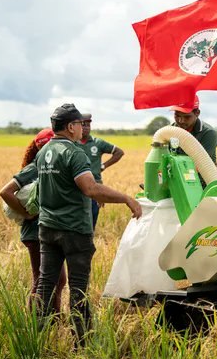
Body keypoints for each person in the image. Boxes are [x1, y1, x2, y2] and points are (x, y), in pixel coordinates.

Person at [36, 103, 142, 345]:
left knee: (45, 284)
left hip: (47, 228)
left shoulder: (44, 152)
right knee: (78, 288)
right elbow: (91, 188)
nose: (82, 128)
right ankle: (82, 342)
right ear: (70, 127)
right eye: (79, 124)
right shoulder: (74, 153)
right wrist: (126, 198)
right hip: (74, 230)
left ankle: (35, 336)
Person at [0, 128, 67, 312]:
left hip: (48, 231)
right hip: (35, 233)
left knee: (58, 280)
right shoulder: (36, 166)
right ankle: (35, 321)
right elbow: (5, 192)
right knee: (41, 279)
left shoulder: (52, 166)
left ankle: (53, 318)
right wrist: (27, 214)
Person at [76, 112, 124, 229]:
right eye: (83, 125)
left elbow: (119, 152)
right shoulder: (73, 143)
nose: (86, 128)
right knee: (76, 223)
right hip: (76, 189)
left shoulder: (97, 143)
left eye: (88, 125)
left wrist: (103, 166)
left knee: (91, 223)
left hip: (95, 189)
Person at [171, 95, 217, 165]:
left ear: (197, 113)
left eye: (187, 117)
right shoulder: (169, 131)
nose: (181, 121)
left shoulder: (208, 133)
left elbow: (202, 164)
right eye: (177, 116)